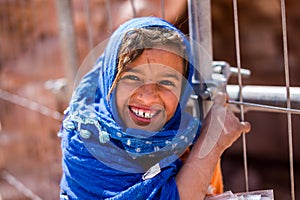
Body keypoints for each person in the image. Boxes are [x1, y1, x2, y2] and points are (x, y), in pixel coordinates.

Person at [58, 17, 251, 200]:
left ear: (183, 91)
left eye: (166, 82)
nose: (148, 96)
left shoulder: (184, 139)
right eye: (133, 78)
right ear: (110, 80)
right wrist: (212, 143)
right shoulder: (85, 140)